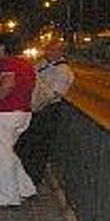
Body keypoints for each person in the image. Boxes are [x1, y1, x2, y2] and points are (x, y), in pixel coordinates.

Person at [0, 33, 37, 208]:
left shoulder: (9, 64)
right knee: (7, 152)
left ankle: (7, 196)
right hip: (22, 112)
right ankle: (25, 188)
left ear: (2, 47)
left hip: (5, 113)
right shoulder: (25, 64)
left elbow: (7, 84)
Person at [17, 41, 75, 184]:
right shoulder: (42, 64)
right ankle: (26, 175)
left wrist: (36, 107)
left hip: (47, 111)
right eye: (48, 49)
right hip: (34, 110)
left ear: (61, 52)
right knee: (27, 144)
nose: (49, 52)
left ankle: (34, 178)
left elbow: (53, 95)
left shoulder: (63, 70)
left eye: (54, 50)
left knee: (40, 145)